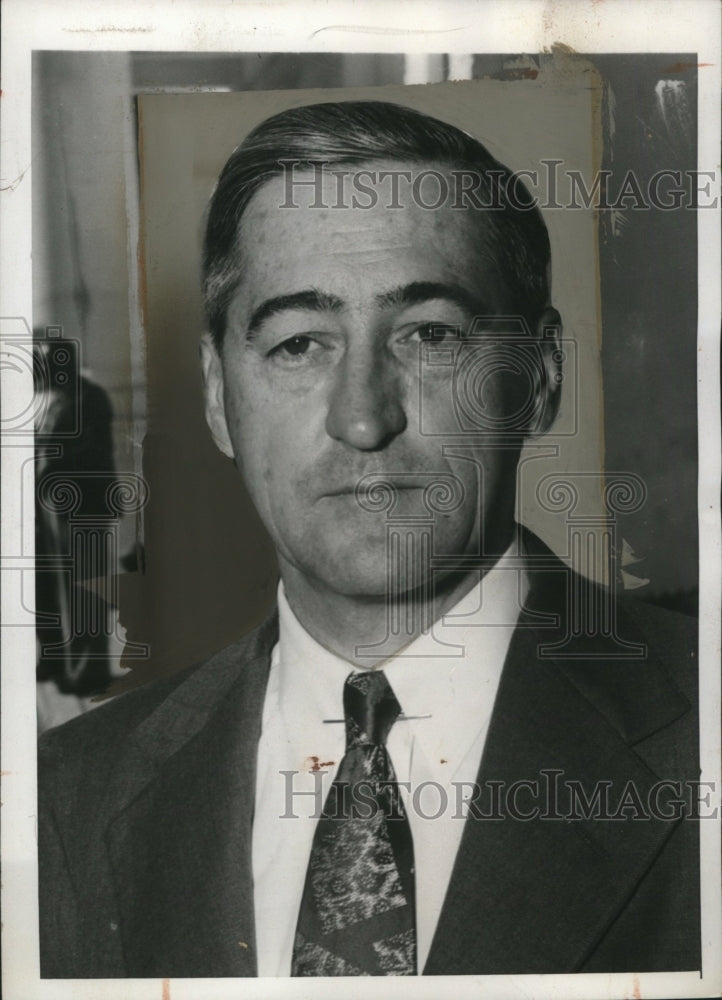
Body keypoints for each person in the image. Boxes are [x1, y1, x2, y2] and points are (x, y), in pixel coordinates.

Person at [38, 100, 699, 978]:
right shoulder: (63, 799)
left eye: (429, 335)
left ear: (539, 379)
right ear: (214, 394)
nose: (361, 418)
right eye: (299, 343)